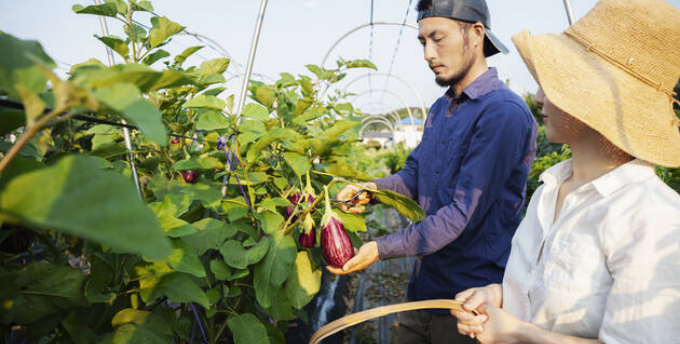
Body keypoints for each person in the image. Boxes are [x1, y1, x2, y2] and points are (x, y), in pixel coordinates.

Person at [450, 0, 680, 343]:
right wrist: (500, 295)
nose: (540, 96)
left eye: (556, 84)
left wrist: (515, 333)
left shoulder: (652, 218)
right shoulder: (550, 189)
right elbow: (545, 292)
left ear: (595, 101)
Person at [329, 0, 537, 343]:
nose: (428, 53)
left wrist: (379, 248)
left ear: (475, 33)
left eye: (438, 38)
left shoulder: (503, 114)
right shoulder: (442, 109)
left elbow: (459, 216)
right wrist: (370, 190)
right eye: (423, 41)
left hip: (470, 303)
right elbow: (414, 175)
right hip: (426, 286)